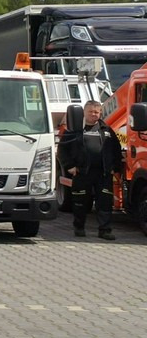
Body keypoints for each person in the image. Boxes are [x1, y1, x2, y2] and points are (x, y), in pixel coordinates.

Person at [58, 100, 123, 240]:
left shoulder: (106, 130)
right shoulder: (74, 130)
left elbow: (116, 150)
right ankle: (79, 227)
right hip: (82, 173)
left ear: (100, 113)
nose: (94, 114)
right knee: (80, 202)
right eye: (90, 112)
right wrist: (69, 166)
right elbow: (62, 150)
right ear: (84, 113)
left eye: (96, 112)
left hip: (103, 174)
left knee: (105, 203)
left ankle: (105, 230)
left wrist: (115, 168)